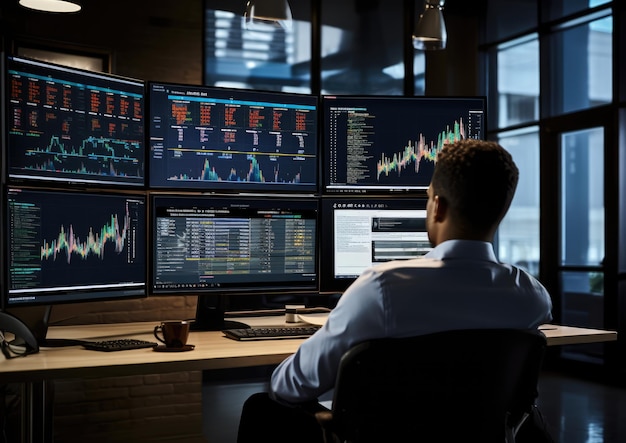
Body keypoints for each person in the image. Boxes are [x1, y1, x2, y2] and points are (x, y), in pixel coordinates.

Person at [236, 139, 554, 443]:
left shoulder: (382, 288)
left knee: (261, 405)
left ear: (438, 206)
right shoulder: (531, 296)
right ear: (501, 210)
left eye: (428, 196)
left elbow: (290, 387)